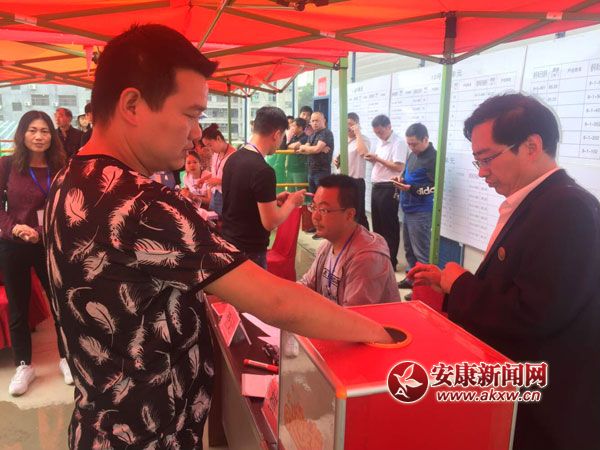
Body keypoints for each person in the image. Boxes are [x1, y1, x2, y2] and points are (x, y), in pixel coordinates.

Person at [44, 24, 391, 450]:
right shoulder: (141, 203)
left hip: (98, 427)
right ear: (132, 105)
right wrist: (382, 334)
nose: (197, 133)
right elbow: (277, 302)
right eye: (190, 114)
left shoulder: (70, 179)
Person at [409, 93, 600, 450]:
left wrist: (460, 283)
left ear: (531, 146)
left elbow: (535, 315)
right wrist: (446, 284)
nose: (481, 171)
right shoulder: (540, 201)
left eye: (487, 158)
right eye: (477, 160)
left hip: (547, 409)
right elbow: (517, 285)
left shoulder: (567, 209)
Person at [0, 110, 71, 396]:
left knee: (60, 303)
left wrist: (40, 232)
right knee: (18, 307)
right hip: (13, 244)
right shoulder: (7, 165)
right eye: (33, 130)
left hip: (48, 244)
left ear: (52, 136)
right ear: (22, 133)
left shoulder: (61, 167)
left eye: (44, 131)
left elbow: (66, 209)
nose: (39, 136)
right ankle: (23, 365)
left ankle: (67, 358)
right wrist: (14, 229)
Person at [222, 106, 305, 268]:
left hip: (229, 243)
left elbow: (241, 200)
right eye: (282, 137)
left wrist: (272, 200)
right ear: (276, 135)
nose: (280, 143)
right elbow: (271, 222)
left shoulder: (233, 158)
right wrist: (292, 202)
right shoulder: (263, 170)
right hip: (250, 251)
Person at [299, 175, 400, 306]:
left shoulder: (367, 259)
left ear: (349, 214)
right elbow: (307, 284)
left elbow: (354, 315)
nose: (315, 216)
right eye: (314, 207)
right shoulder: (327, 245)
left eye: (323, 210)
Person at [393, 123, 436, 292]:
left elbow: (435, 187)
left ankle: (422, 290)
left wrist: (411, 189)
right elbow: (407, 174)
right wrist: (401, 180)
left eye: (414, 144)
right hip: (407, 208)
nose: (411, 147)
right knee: (409, 249)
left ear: (425, 139)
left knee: (421, 252)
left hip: (421, 211)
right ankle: (412, 279)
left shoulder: (434, 158)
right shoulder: (413, 154)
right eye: (409, 144)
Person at [365, 114, 407, 271]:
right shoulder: (379, 142)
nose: (379, 135)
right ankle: (379, 259)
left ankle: (390, 262)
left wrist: (377, 159)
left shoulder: (398, 142)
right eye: (376, 132)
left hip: (389, 187)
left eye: (381, 132)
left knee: (389, 227)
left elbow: (398, 167)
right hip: (377, 186)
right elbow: (380, 162)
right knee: (378, 226)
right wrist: (373, 159)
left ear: (389, 127)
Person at [334, 112, 370, 230]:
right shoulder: (344, 140)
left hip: (356, 182)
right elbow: (341, 156)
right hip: (344, 181)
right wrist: (337, 161)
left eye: (350, 124)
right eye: (345, 124)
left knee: (358, 214)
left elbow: (364, 153)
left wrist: (358, 133)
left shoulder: (363, 139)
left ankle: (365, 238)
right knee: (346, 212)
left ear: (357, 124)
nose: (347, 127)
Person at [201, 123, 235, 217]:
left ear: (218, 138)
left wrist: (219, 182)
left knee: (224, 221)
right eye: (207, 146)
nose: (209, 149)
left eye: (210, 145)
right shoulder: (216, 154)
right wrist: (203, 179)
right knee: (213, 220)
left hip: (227, 197)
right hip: (215, 193)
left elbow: (237, 181)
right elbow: (215, 174)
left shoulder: (234, 156)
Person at [298, 111, 334, 194]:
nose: (314, 123)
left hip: (322, 172)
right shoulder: (312, 134)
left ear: (324, 120)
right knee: (313, 197)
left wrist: (314, 149)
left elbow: (315, 149)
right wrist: (317, 149)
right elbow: (302, 150)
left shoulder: (326, 132)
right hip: (311, 171)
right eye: (313, 121)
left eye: (317, 120)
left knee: (322, 197)